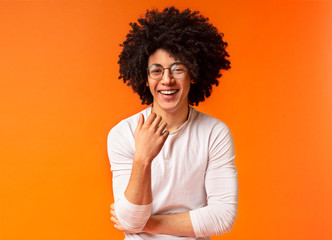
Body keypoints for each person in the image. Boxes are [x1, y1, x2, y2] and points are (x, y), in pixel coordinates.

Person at [107, 7, 238, 240]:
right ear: (145, 78)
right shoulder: (123, 133)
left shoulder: (214, 133)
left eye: (177, 69)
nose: (167, 80)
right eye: (156, 70)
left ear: (193, 74)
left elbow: (223, 217)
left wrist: (146, 224)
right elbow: (130, 221)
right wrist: (143, 158)